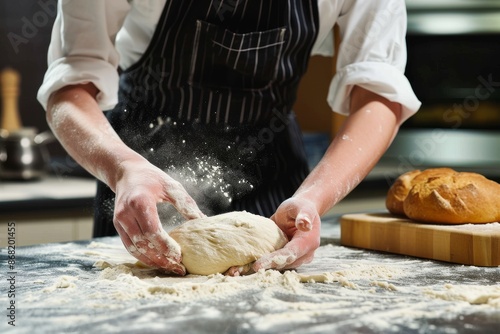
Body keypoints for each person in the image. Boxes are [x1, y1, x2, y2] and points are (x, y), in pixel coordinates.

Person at [38, 0, 421, 276]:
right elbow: (70, 85)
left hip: (276, 184)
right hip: (143, 190)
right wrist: (123, 169)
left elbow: (378, 93)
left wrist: (312, 200)